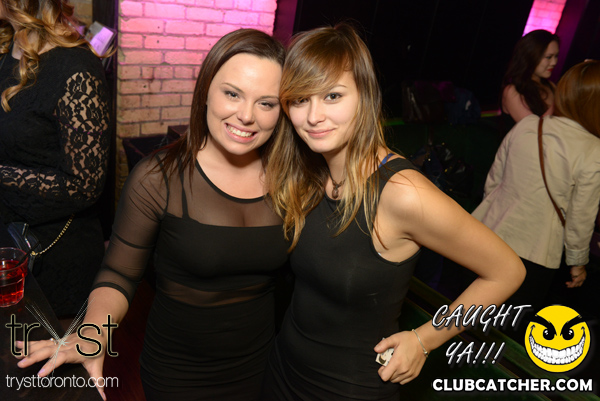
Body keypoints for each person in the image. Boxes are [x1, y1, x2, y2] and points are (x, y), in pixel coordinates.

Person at [16, 29, 289, 401]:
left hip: (263, 368)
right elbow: (119, 273)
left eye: (266, 103)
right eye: (232, 94)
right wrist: (92, 335)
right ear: (206, 90)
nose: (246, 115)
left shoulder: (293, 180)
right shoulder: (160, 179)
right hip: (180, 376)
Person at [262, 23, 525, 401]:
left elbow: (507, 271)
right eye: (300, 99)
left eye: (333, 96)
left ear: (364, 95)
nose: (313, 116)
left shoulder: (403, 194)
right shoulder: (311, 173)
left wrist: (425, 339)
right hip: (283, 368)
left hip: (347, 389)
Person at [0, 0, 110, 317]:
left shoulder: (75, 68)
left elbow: (84, 186)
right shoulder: (7, 50)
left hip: (53, 257)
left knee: (40, 348)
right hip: (10, 239)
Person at [473, 60, 600, 315]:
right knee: (504, 329)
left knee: (462, 317)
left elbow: (493, 182)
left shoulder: (528, 125)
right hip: (534, 254)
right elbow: (580, 218)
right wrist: (577, 263)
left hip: (485, 235)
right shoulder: (593, 151)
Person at [501, 29, 559, 125]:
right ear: (530, 56)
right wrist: (559, 102)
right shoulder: (512, 91)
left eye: (556, 56)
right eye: (549, 57)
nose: (554, 62)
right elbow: (532, 128)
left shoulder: (551, 86)